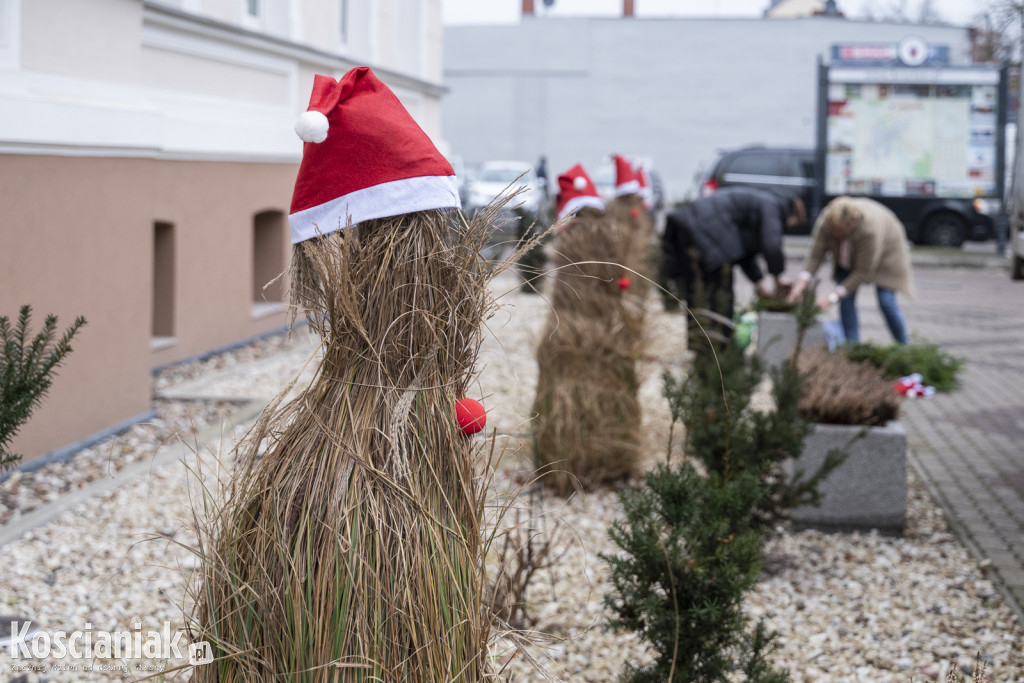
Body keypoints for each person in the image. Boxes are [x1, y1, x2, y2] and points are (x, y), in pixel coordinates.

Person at [661, 186, 805, 328]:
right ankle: (720, 346)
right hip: (708, 230)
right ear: (791, 215)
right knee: (721, 296)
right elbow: (772, 245)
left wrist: (760, 284)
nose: (787, 227)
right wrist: (778, 279)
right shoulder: (772, 205)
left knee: (697, 291)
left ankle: (698, 345)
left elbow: (742, 253)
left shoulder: (758, 202)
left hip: (688, 224)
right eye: (792, 224)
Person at [787, 195, 913, 345]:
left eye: (839, 231)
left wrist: (831, 298)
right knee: (845, 300)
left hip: (887, 251)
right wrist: (801, 284)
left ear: (852, 224)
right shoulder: (828, 222)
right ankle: (852, 347)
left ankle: (903, 346)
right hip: (847, 256)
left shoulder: (869, 229)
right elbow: (816, 255)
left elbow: (862, 273)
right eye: (833, 230)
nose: (834, 234)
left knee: (886, 301)